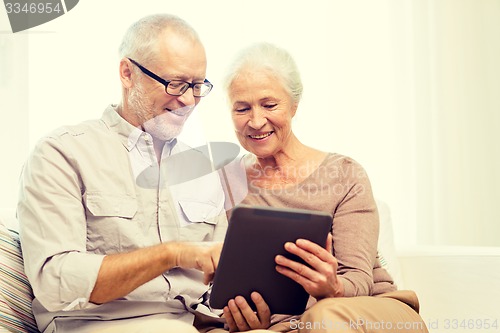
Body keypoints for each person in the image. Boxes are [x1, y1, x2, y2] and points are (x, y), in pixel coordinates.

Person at [17, 14, 229, 333]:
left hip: (189, 325)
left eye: (198, 86)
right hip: (94, 325)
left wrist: (242, 311)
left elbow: (218, 286)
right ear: (127, 73)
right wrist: (170, 253)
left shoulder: (201, 168)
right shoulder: (61, 153)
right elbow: (54, 281)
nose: (188, 100)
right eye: (175, 84)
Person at [218, 42, 429, 333]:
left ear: (294, 105)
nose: (255, 121)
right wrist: (247, 319)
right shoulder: (224, 183)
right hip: (290, 325)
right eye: (242, 108)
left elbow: (358, 280)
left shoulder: (344, 174)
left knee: (325, 316)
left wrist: (332, 287)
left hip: (368, 311)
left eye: (269, 105)